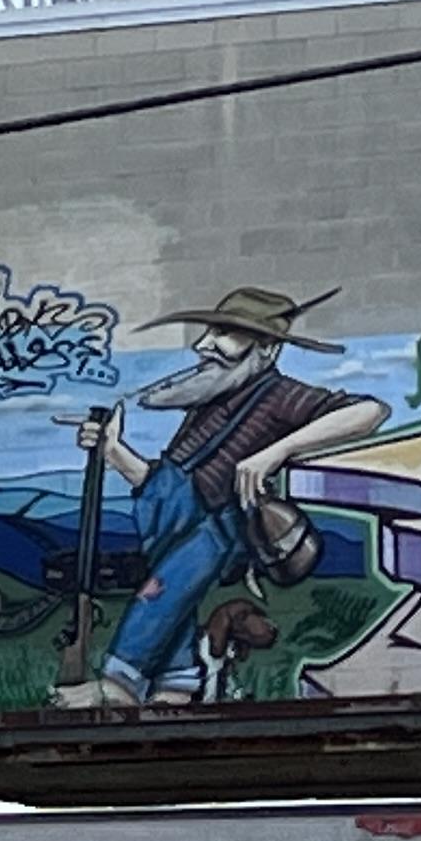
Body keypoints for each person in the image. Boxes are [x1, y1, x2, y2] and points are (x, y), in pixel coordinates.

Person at [57, 283, 382, 708]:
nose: (204, 345)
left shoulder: (280, 396)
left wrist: (277, 450)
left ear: (266, 348)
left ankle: (119, 684)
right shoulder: (210, 397)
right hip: (175, 514)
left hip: (222, 520)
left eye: (225, 335)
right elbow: (165, 482)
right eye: (210, 332)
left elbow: (368, 411)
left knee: (162, 589)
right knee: (176, 594)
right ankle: (177, 683)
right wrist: (114, 453)